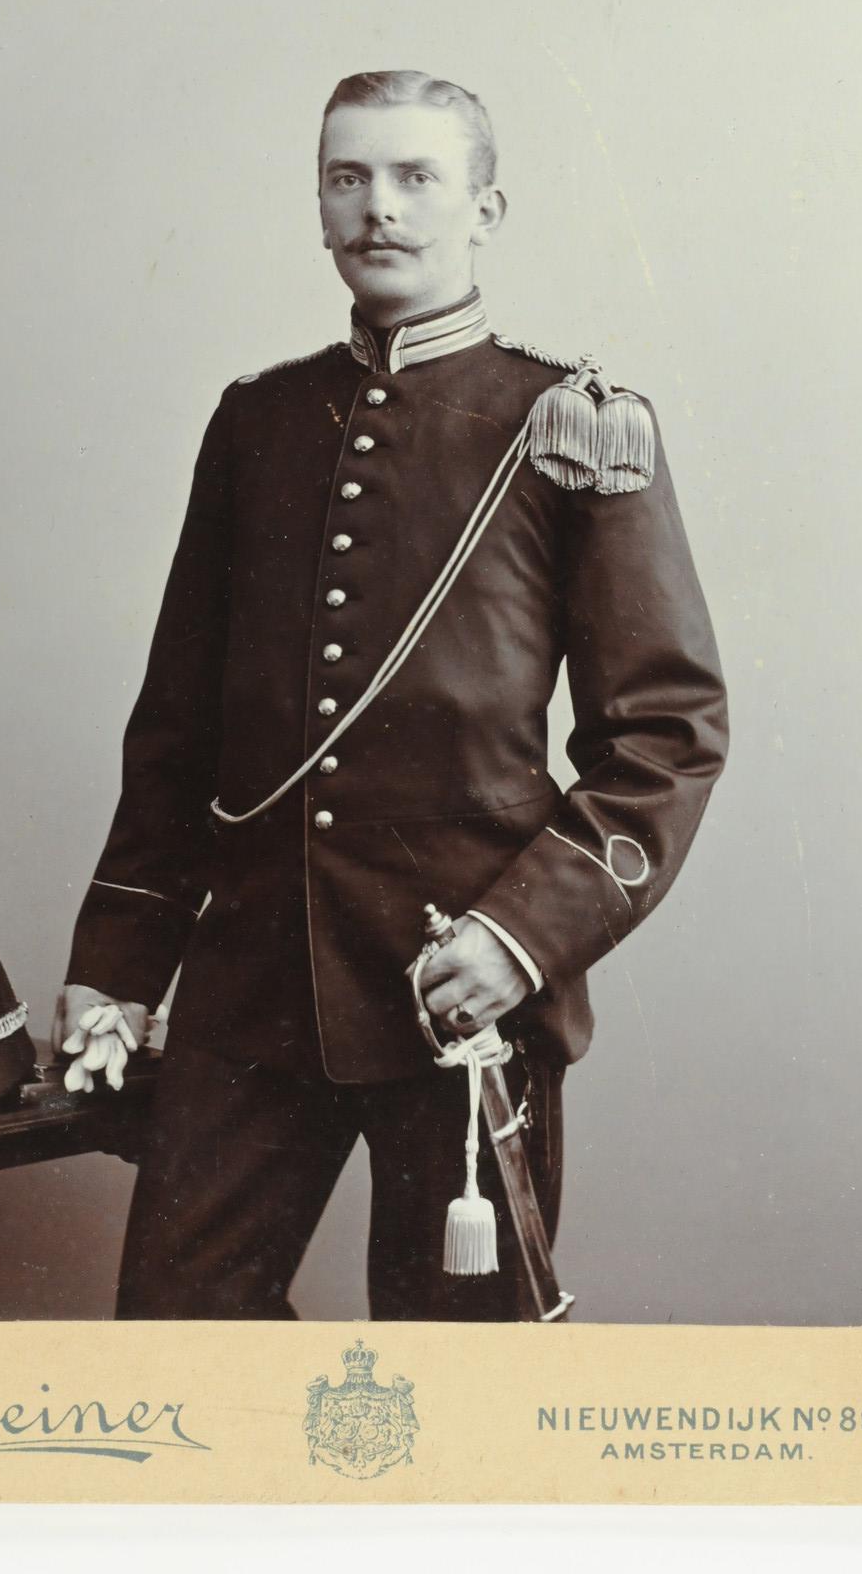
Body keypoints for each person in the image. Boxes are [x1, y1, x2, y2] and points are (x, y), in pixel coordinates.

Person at [54, 69, 729, 1321]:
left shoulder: (569, 425)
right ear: (318, 206)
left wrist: (519, 937)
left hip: (458, 983)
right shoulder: (255, 421)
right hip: (250, 986)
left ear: (485, 207)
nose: (379, 207)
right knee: (174, 1332)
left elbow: (665, 733)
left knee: (448, 1377)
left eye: (417, 176)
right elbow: (179, 731)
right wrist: (119, 963)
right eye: (347, 176)